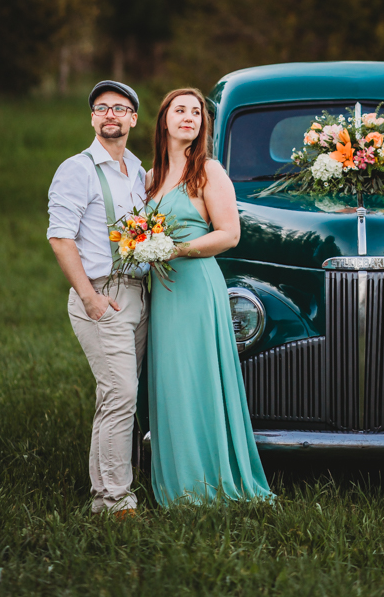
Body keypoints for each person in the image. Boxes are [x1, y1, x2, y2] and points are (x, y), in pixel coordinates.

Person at [146, 87, 273, 505]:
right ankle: (177, 480)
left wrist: (176, 249)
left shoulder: (209, 171)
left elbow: (229, 235)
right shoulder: (151, 178)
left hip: (198, 289)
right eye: (179, 110)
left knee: (198, 380)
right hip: (163, 297)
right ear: (164, 119)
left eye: (196, 112)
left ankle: (209, 480)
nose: (189, 117)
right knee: (170, 383)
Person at [47, 81, 148, 515]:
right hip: (102, 297)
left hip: (139, 298)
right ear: (92, 118)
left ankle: (111, 485)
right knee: (121, 394)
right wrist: (89, 297)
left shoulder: (140, 172)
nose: (111, 115)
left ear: (133, 119)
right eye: (102, 108)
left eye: (120, 108)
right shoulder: (77, 169)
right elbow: (60, 237)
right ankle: (112, 500)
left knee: (118, 397)